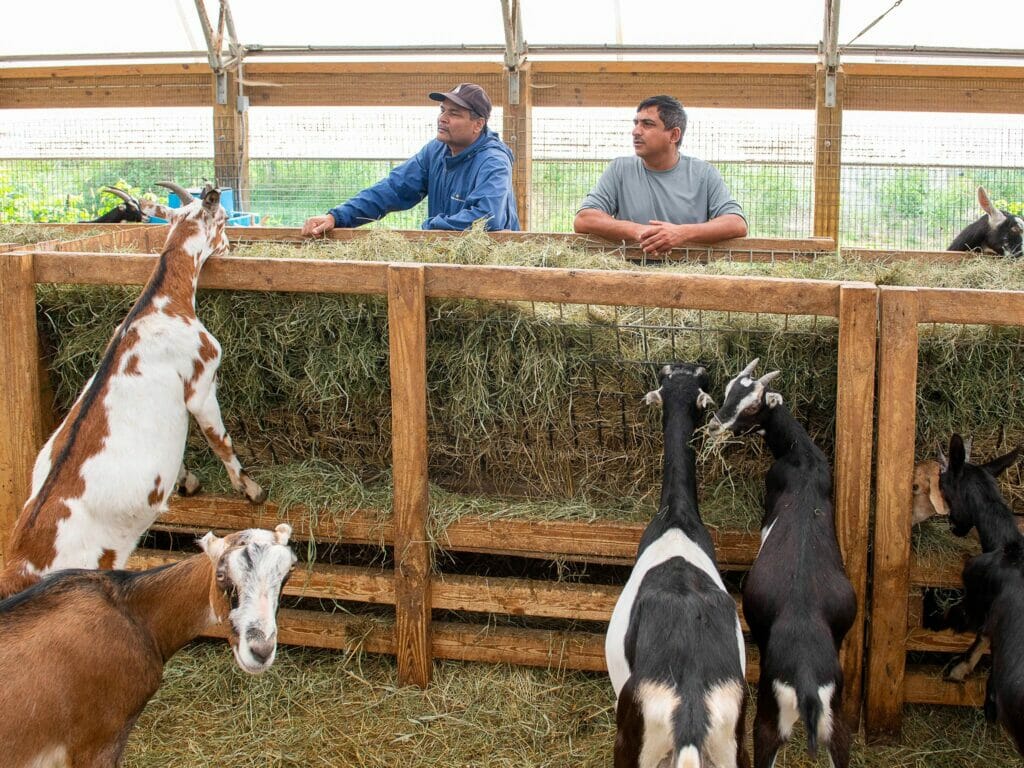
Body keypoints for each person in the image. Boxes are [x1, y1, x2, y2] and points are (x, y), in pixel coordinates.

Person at [301, 83, 520, 235]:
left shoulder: (493, 161)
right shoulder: (436, 151)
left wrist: (431, 227)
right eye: (443, 110)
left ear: (478, 124)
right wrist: (337, 217)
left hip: (488, 267)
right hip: (447, 260)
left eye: (454, 114)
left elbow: (486, 219)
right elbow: (394, 189)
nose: (442, 119)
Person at [573, 95, 747, 254]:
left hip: (689, 275)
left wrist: (681, 233)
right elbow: (584, 219)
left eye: (647, 124)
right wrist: (637, 231)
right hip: (630, 273)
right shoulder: (620, 169)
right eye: (636, 123)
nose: (636, 131)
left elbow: (736, 223)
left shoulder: (703, 173)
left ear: (674, 135)